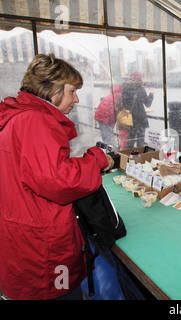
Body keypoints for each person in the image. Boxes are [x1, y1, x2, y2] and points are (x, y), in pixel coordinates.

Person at [0, 53, 114, 300]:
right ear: (51, 90)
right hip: (42, 251)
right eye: (72, 90)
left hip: (22, 238)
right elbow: (60, 181)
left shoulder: (18, 116)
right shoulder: (35, 120)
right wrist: (97, 159)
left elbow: (37, 169)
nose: (77, 98)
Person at [122, 71, 154, 149]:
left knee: (130, 140)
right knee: (140, 141)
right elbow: (148, 104)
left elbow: (124, 103)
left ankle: (128, 158)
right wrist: (151, 94)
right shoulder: (140, 89)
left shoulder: (125, 88)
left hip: (130, 118)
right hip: (140, 119)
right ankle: (140, 158)